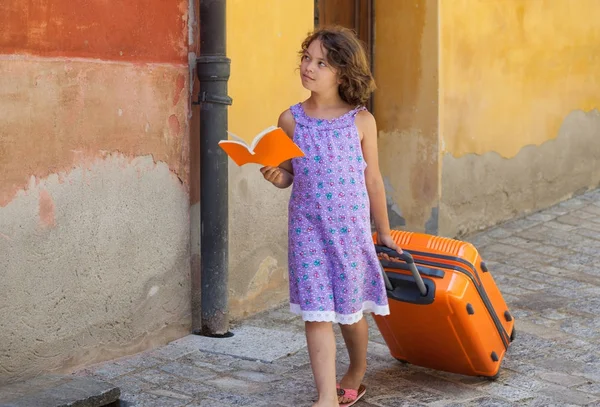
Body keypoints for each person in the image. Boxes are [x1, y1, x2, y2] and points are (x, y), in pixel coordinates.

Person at [260, 26, 402, 407]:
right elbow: (290, 171)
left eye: (321, 62)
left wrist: (384, 232)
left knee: (350, 311)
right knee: (316, 310)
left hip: (350, 231)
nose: (309, 67)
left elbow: (372, 179)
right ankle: (325, 395)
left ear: (342, 72)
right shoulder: (290, 120)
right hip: (307, 228)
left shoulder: (361, 122)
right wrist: (278, 176)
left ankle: (356, 370)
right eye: (307, 57)